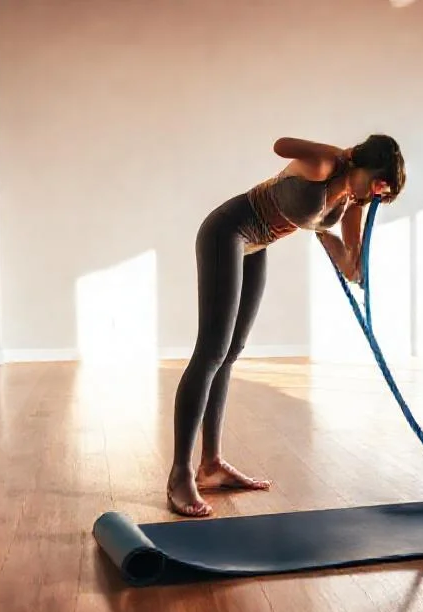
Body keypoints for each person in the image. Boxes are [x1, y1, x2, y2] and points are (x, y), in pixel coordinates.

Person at [166, 134, 407, 517]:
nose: (376, 195)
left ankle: (211, 465)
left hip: (255, 246)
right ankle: (180, 474)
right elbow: (281, 145)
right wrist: (336, 154)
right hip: (226, 232)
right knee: (211, 351)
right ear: (363, 164)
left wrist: (358, 265)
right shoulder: (324, 166)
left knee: (230, 353)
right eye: (378, 184)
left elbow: (347, 262)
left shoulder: (352, 201)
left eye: (383, 194)